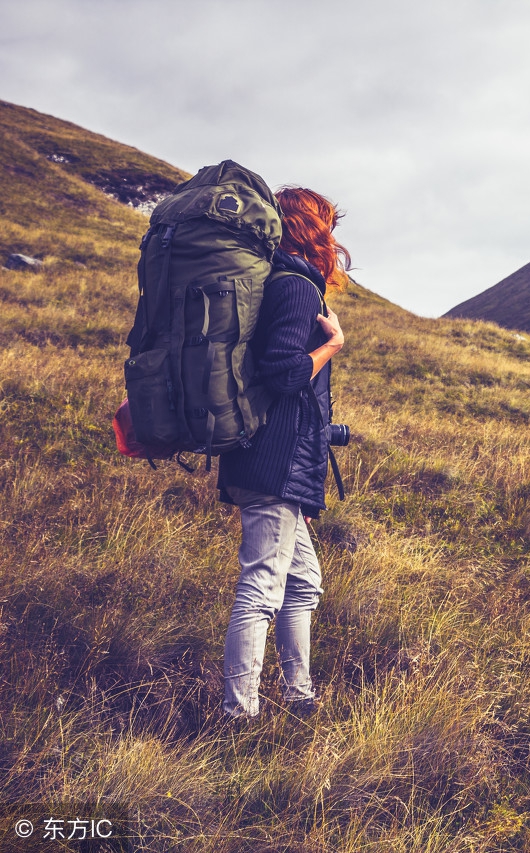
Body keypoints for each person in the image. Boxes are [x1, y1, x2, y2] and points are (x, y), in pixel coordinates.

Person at [217, 187, 350, 719]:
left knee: (304, 583)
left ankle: (299, 697)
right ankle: (238, 716)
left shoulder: (278, 281)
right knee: (262, 588)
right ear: (311, 230)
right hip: (273, 462)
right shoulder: (295, 286)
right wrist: (332, 345)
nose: (334, 238)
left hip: (271, 462)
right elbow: (284, 372)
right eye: (327, 225)